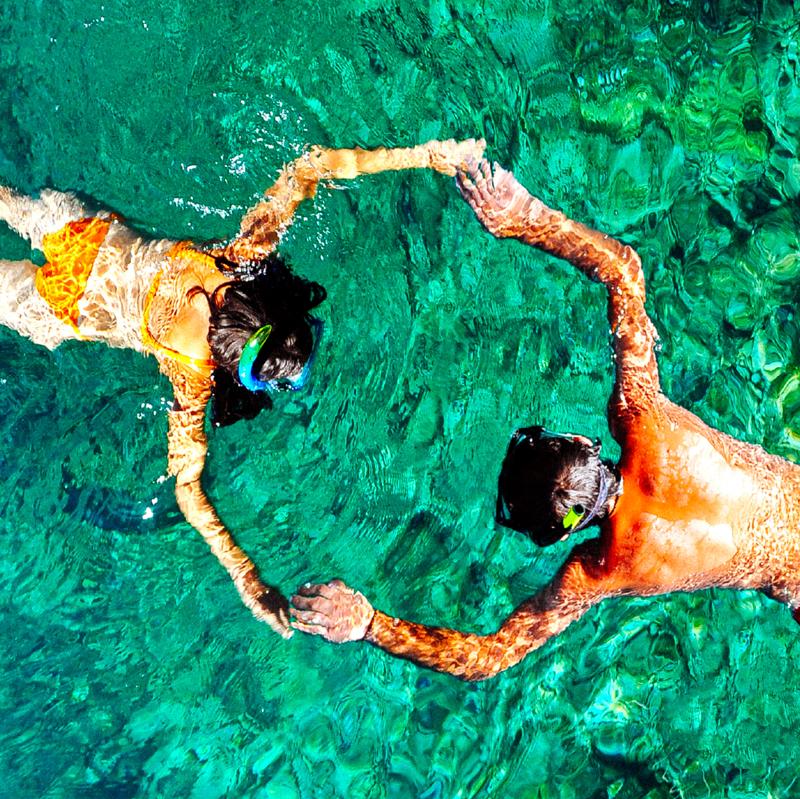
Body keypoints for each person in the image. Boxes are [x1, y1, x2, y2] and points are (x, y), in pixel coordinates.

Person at [291, 158, 800, 679]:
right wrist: (524, 216)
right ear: (581, 440)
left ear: (558, 537)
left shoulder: (598, 572)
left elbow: (489, 657)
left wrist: (369, 623)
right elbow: (624, 269)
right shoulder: (643, 417)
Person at [0, 138, 485, 638]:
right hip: (61, 307)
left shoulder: (237, 260)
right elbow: (187, 488)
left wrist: (428, 154)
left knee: (8, 201)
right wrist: (246, 577)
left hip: (86, 235)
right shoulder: (191, 370)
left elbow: (308, 167)